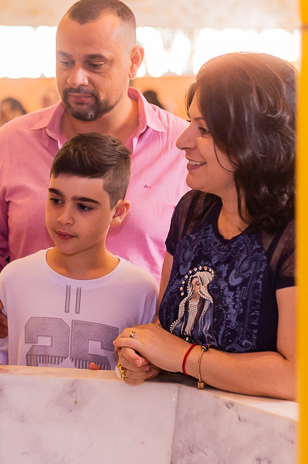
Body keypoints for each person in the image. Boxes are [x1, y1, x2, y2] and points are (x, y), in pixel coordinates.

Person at [0, 0, 189, 341]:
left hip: (145, 371)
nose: (76, 79)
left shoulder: (183, 149)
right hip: (33, 361)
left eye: (95, 64)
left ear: (134, 61)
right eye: (65, 61)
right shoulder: (11, 144)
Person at [113, 52, 297, 400]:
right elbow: (166, 331)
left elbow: (296, 376)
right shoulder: (193, 211)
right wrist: (143, 356)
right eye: (189, 123)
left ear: (255, 140)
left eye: (205, 130)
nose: (182, 141)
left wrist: (182, 358)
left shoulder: (298, 232)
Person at [0, 134, 157, 370]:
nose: (64, 218)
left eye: (84, 206)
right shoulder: (14, 278)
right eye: (56, 200)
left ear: (117, 212)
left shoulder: (141, 290)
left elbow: (147, 377)